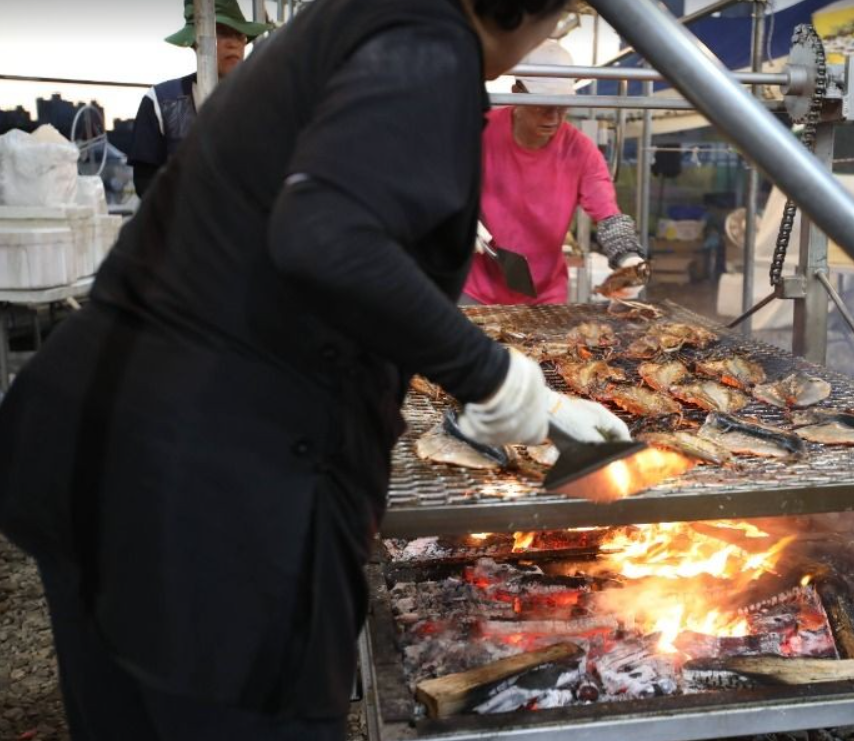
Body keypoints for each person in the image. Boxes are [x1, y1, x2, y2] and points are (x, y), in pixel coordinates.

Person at [0, 0, 628, 737]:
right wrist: (498, 376)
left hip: (102, 445)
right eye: (559, 19)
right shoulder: (428, 41)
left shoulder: (358, 26)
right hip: (208, 493)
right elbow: (326, 236)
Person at [462, 40, 647, 305]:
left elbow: (608, 216)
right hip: (476, 289)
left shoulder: (581, 151)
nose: (553, 117)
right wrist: (459, 220)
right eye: (543, 105)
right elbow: (439, 182)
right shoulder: (479, 131)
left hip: (544, 295)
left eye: (562, 106)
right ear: (517, 92)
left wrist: (630, 258)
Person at [127, 0, 270, 197]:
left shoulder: (262, 103)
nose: (233, 43)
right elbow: (145, 181)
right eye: (221, 31)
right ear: (194, 41)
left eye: (239, 34)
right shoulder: (160, 102)